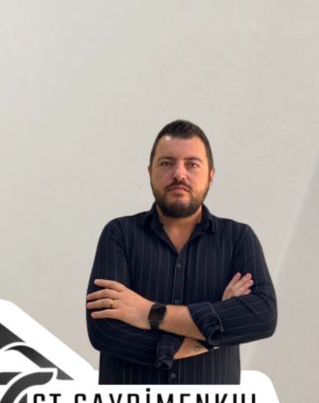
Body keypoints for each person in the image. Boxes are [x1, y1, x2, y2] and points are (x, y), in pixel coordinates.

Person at [85, 120, 277, 384]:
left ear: (210, 174)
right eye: (167, 163)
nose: (179, 174)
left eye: (192, 164)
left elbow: (262, 316)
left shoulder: (238, 239)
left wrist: (149, 312)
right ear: (150, 171)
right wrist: (210, 337)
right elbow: (105, 332)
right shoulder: (119, 234)